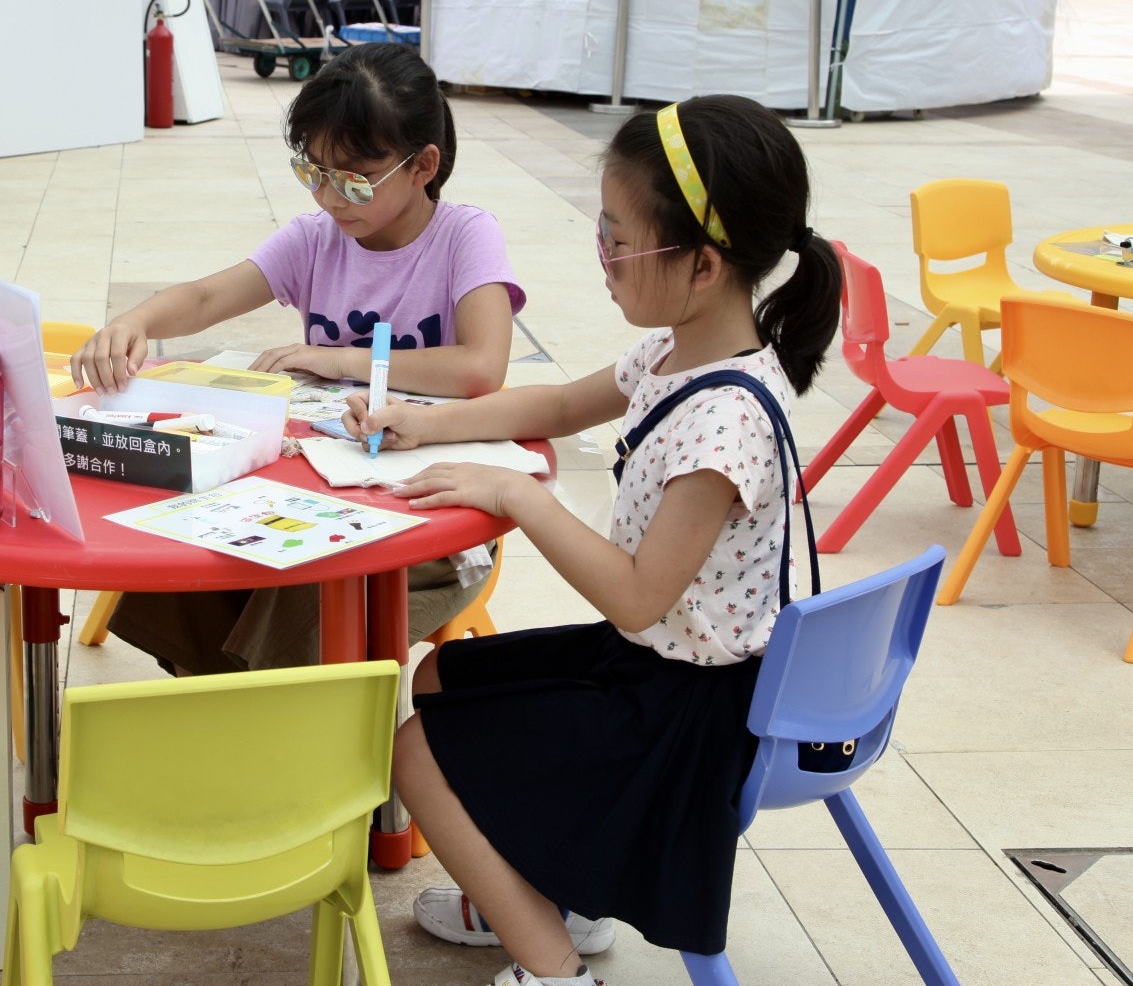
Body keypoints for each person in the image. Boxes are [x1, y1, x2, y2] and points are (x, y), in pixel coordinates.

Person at [348, 96, 842, 985]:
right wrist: (422, 421)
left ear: (702, 265)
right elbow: (559, 403)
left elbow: (638, 597)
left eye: (618, 239)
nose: (603, 255)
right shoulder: (675, 352)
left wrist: (517, 494)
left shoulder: (725, 422)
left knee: (412, 752)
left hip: (693, 710)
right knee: (440, 676)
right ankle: (553, 895)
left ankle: (553, 968)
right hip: (654, 665)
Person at [70, 44, 525, 675]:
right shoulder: (317, 239)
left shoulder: (463, 236)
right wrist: (134, 322)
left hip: (432, 510)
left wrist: (337, 358)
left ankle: (276, 716)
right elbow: (207, 297)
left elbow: (481, 367)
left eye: (355, 179)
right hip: (324, 484)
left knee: (308, 585)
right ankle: (220, 700)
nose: (331, 198)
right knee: (195, 543)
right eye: (313, 172)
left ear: (423, 166)